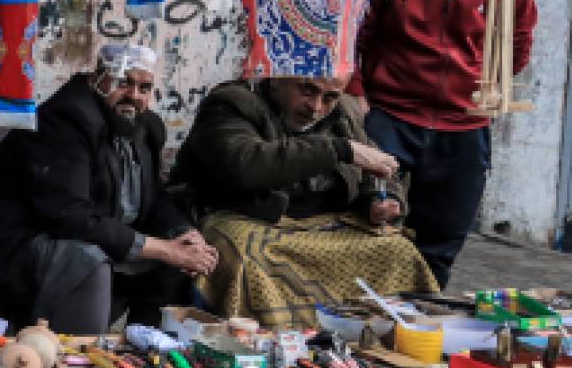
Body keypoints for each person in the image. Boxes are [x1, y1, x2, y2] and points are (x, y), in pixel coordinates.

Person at [0, 44, 216, 334]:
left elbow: (153, 196)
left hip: (83, 231)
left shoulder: (145, 126)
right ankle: (78, 350)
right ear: (97, 78)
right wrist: (163, 249)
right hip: (12, 238)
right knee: (88, 260)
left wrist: (182, 235)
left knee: (176, 261)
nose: (134, 95)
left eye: (144, 88)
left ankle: (143, 345)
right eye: (123, 82)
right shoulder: (66, 120)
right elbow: (69, 216)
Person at [350, 0, 537, 288]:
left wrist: (481, 87)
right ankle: (361, 307)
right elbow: (356, 36)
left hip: (464, 125)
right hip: (391, 116)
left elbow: (516, 52)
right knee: (367, 219)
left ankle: (423, 311)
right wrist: (358, 94)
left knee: (441, 240)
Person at [169, 75, 438, 328]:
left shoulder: (342, 110)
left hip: (321, 222)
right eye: (307, 90)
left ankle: (381, 337)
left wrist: (381, 199)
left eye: (329, 97)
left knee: (398, 250)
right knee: (246, 258)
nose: (316, 107)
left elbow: (376, 164)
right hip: (241, 216)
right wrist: (338, 150)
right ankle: (264, 340)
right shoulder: (232, 103)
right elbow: (246, 164)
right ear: (278, 78)